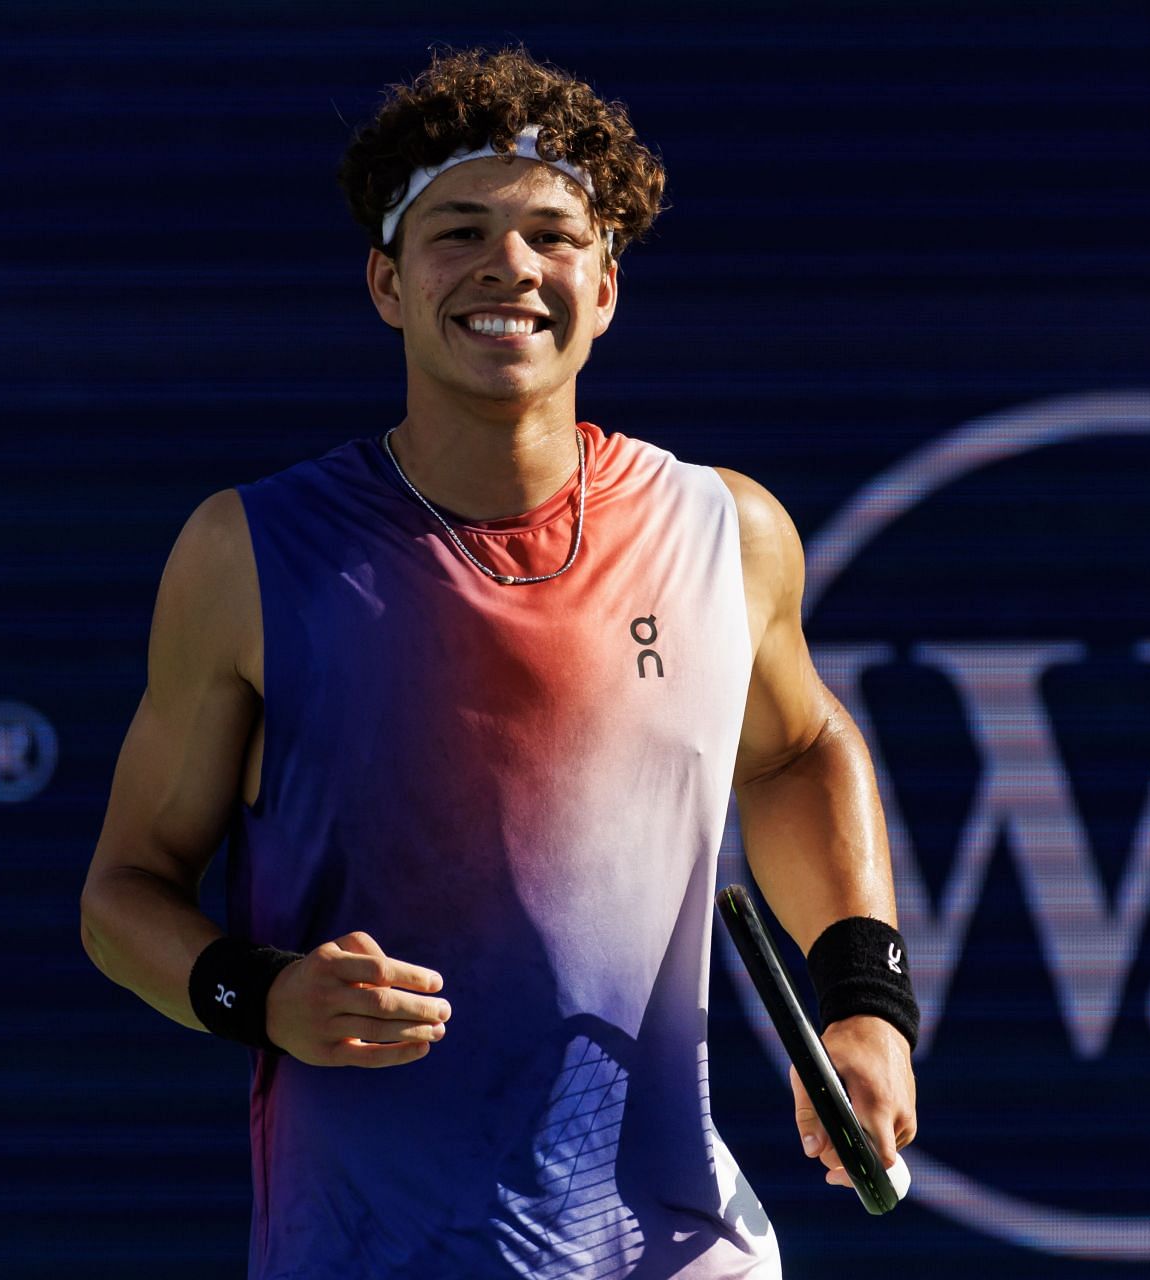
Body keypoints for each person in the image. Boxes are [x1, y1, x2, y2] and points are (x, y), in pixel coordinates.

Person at [80, 46, 919, 1278]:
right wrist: (257, 995)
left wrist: (865, 1004)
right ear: (386, 282)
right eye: (457, 231)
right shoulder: (244, 554)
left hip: (681, 1251)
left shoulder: (725, 532)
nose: (510, 267)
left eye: (552, 235)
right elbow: (122, 893)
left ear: (608, 286)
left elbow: (795, 751)